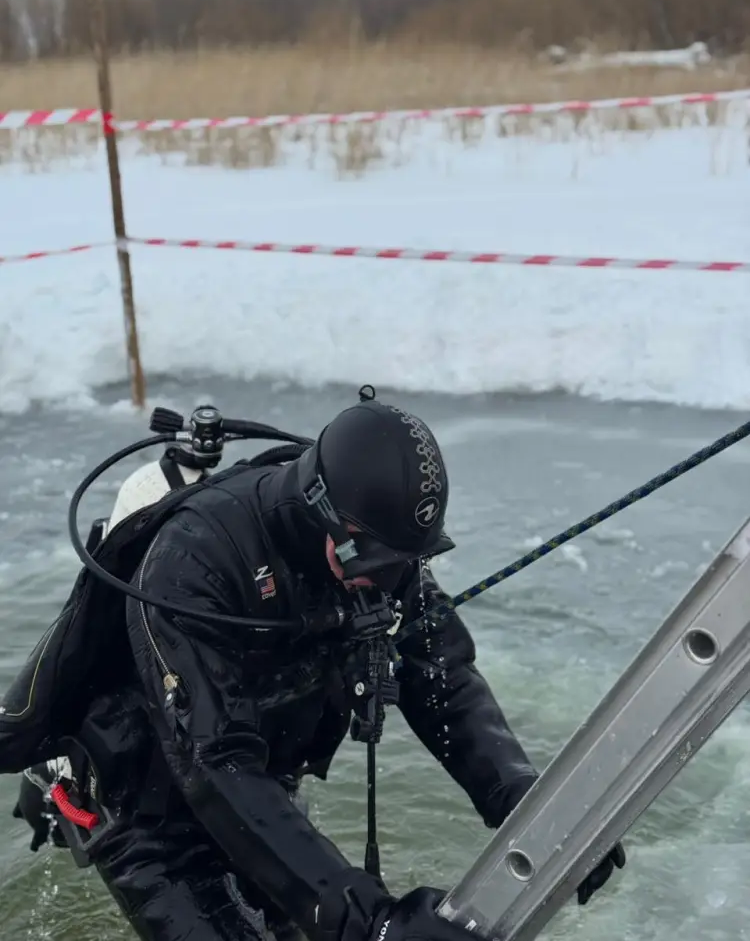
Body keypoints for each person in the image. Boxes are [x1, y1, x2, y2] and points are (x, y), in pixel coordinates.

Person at [3, 395, 625, 941]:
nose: (385, 580)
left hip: (261, 786)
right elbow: (214, 761)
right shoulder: (194, 559)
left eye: (399, 564)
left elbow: (442, 678)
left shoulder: (380, 555)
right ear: (320, 508)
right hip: (152, 809)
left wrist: (526, 803)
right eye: (370, 561)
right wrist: (371, 921)